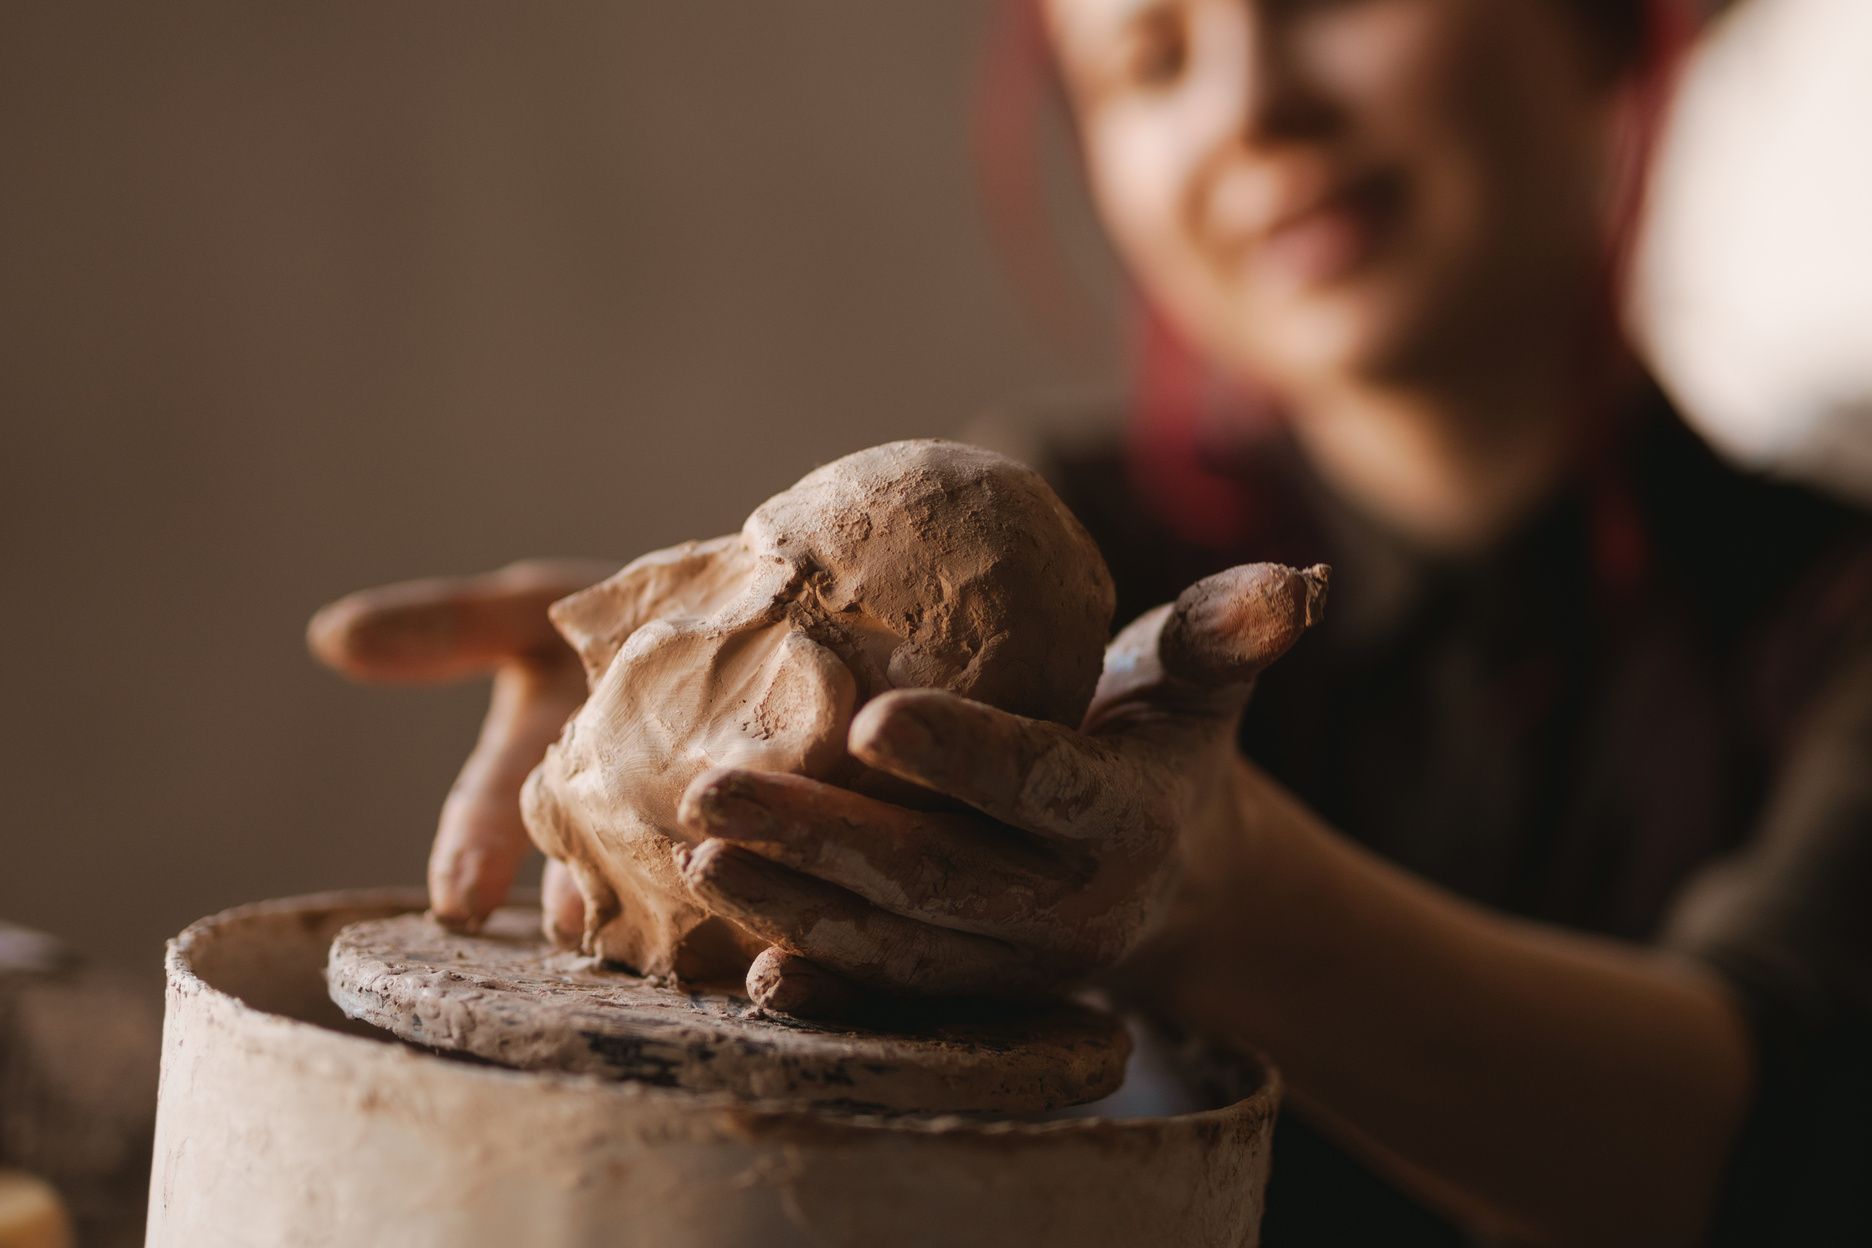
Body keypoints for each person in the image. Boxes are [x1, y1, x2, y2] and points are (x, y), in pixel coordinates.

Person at [311, 0, 1871, 1243]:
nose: (1250, 105)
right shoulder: (1064, 551)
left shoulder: (1833, 622)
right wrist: (677, 719)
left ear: (1611, 21)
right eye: (1148, 56)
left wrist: (1219, 889)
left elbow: (1767, 1149)